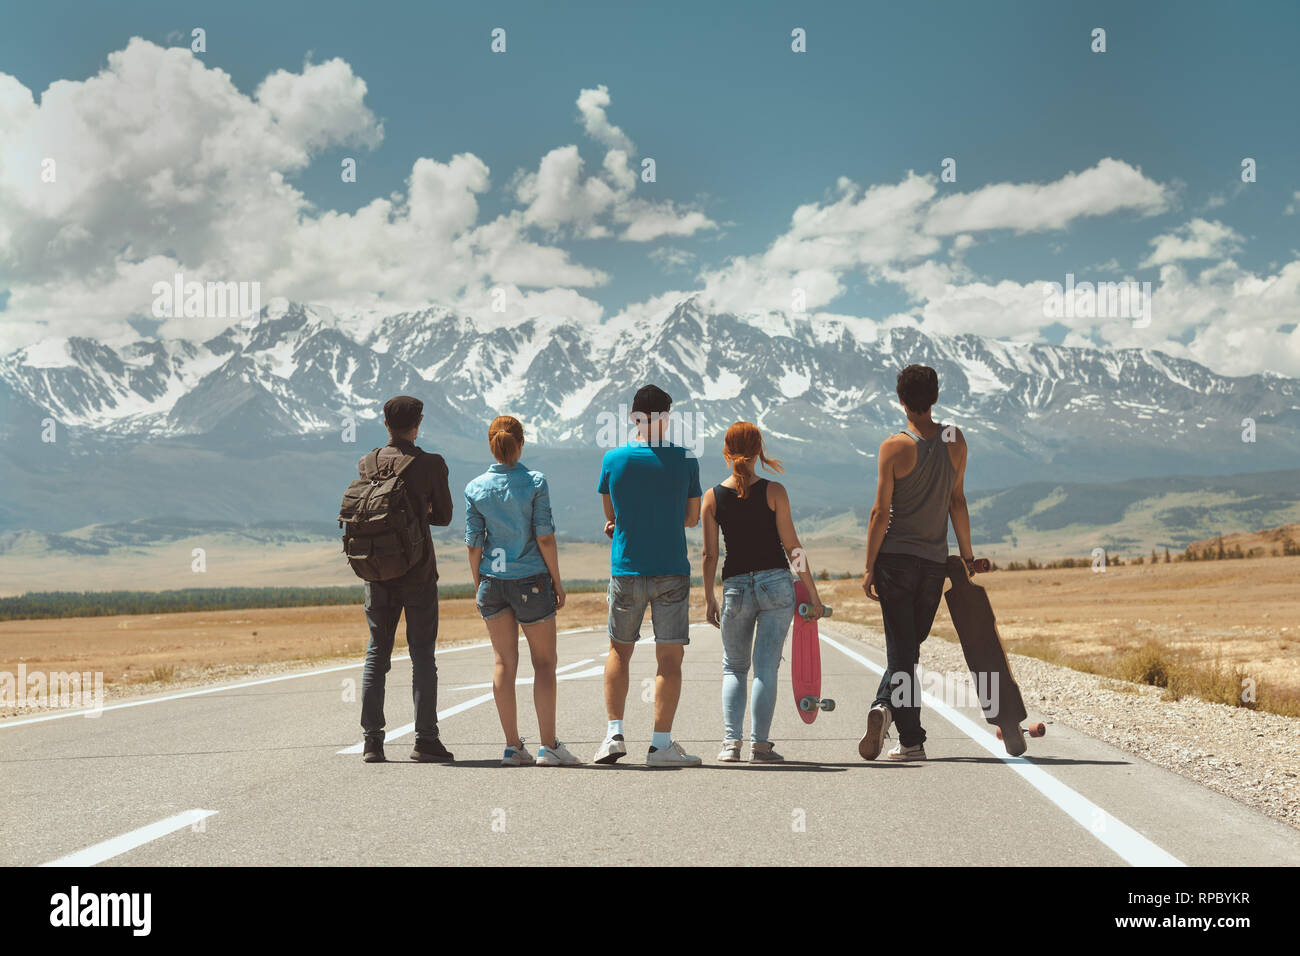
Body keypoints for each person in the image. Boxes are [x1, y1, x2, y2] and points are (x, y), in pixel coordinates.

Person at [860, 365, 974, 761]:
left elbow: (880, 512)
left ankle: (905, 733)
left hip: (895, 562)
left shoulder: (894, 446)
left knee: (903, 655)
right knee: (907, 653)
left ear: (900, 400)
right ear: (936, 397)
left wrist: (869, 565)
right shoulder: (954, 439)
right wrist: (968, 555)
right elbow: (957, 500)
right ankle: (898, 723)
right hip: (933, 564)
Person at [593, 385, 703, 767]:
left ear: (633, 418)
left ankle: (613, 735)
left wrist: (621, 524)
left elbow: (613, 517)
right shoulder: (686, 459)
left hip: (626, 569)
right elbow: (692, 518)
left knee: (619, 652)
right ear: (667, 417)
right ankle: (660, 745)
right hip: (671, 568)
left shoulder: (613, 459)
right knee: (668, 662)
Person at [701, 422, 824, 762]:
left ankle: (730, 745)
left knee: (734, 668)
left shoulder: (711, 497)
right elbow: (792, 547)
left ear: (726, 452)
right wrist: (812, 593)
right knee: (766, 668)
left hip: (735, 588)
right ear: (758, 451)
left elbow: (709, 554)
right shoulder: (775, 492)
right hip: (776, 586)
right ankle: (760, 745)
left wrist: (709, 596)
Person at [464, 416, 582, 767]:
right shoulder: (534, 482)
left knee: (503, 662)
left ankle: (513, 746)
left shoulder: (475, 488)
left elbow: (473, 544)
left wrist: (479, 584)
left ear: (491, 444)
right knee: (544, 663)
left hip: (491, 581)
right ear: (522, 442)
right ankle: (548, 746)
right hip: (531, 579)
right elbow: (544, 535)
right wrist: (557, 581)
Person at [359, 396, 455, 764]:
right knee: (422, 656)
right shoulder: (430, 464)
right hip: (417, 572)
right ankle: (425, 739)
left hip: (377, 572)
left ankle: (372, 742)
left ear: (386, 424)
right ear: (418, 424)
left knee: (376, 654)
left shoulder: (366, 463)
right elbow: (444, 515)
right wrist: (417, 513)